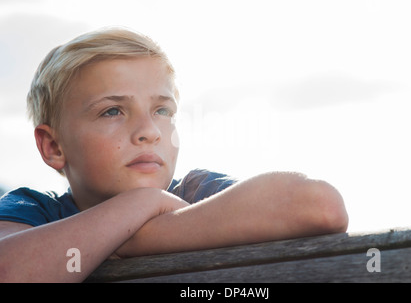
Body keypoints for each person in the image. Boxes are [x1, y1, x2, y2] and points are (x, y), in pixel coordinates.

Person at [0, 27, 348, 282]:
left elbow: (320, 206)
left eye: (162, 111)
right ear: (53, 147)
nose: (148, 130)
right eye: (112, 111)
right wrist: (144, 204)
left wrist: (127, 237)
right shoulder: (34, 210)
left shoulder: (198, 193)